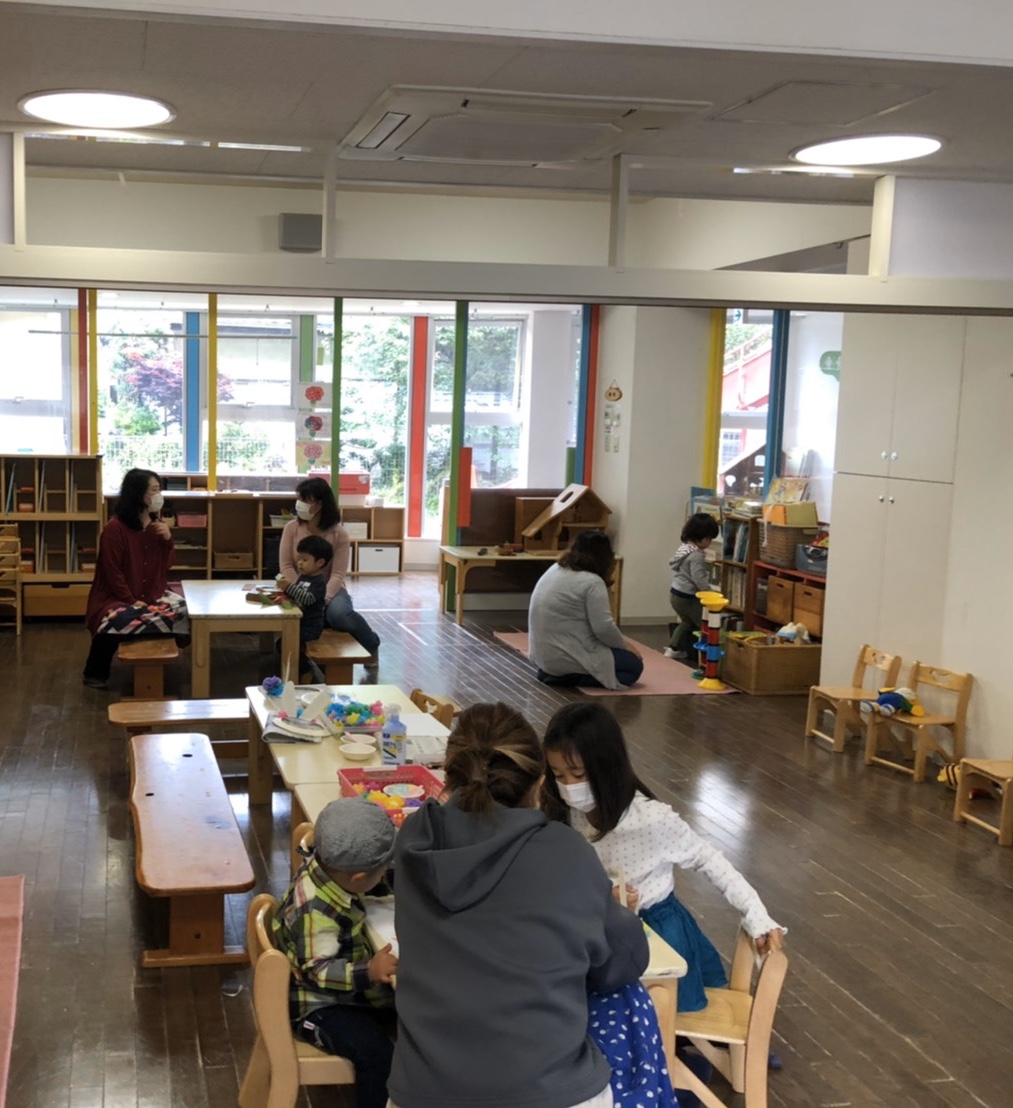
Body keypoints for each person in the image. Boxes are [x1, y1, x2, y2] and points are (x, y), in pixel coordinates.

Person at [387, 701, 650, 1108]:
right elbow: (621, 964)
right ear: (540, 783)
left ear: (448, 775)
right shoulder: (566, 850)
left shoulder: (415, 839)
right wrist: (616, 914)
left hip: (423, 1092)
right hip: (550, 1091)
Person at [541, 701, 784, 1014]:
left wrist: (756, 914)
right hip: (600, 925)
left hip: (657, 928)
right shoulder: (564, 811)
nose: (568, 787)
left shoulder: (651, 819)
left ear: (607, 767)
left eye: (578, 774)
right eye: (558, 775)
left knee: (663, 1010)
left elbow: (710, 861)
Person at [273, 798, 398, 1108]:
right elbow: (318, 971)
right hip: (318, 1006)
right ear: (359, 879)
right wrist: (369, 971)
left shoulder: (328, 868)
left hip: (344, 993)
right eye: (382, 870)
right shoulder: (316, 912)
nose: (385, 874)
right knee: (378, 1055)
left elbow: (378, 882)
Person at [82, 467, 188, 690]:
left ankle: (155, 653)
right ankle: (95, 672)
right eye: (154, 490)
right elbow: (112, 572)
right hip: (116, 596)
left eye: (159, 490)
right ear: (137, 494)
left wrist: (168, 540)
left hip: (153, 592)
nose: (159, 496)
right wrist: (131, 600)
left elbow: (167, 564)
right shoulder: (115, 529)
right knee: (117, 619)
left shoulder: (157, 525)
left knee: (185, 611)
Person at [278, 476, 380, 662]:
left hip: (329, 589)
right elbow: (286, 566)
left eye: (305, 500)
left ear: (319, 504)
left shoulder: (339, 534)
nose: (299, 504)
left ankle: (371, 644)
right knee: (289, 614)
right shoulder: (291, 528)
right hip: (298, 587)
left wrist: (322, 598)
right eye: (299, 499)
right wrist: (298, 590)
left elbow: (338, 574)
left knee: (339, 615)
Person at [528, 530, 643, 690]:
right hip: (568, 653)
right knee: (633, 667)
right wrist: (625, 646)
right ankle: (570, 677)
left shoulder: (555, 569)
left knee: (619, 659)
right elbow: (604, 628)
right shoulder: (592, 582)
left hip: (543, 658)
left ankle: (557, 674)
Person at [665, 513, 720, 662]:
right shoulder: (696, 555)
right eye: (709, 539)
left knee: (686, 622)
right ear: (701, 537)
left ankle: (673, 648)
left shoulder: (684, 548)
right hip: (688, 597)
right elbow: (699, 578)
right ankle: (708, 653)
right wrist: (710, 593)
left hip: (676, 594)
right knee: (705, 624)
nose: (710, 543)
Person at [277, 533, 331, 645]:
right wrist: (284, 592)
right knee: (282, 641)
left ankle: (301, 657)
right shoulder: (303, 577)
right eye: (299, 559)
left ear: (320, 562)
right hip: (299, 621)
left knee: (285, 643)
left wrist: (289, 586)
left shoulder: (319, 582)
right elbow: (296, 594)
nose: (300, 563)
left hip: (310, 628)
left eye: (305, 560)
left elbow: (308, 599)